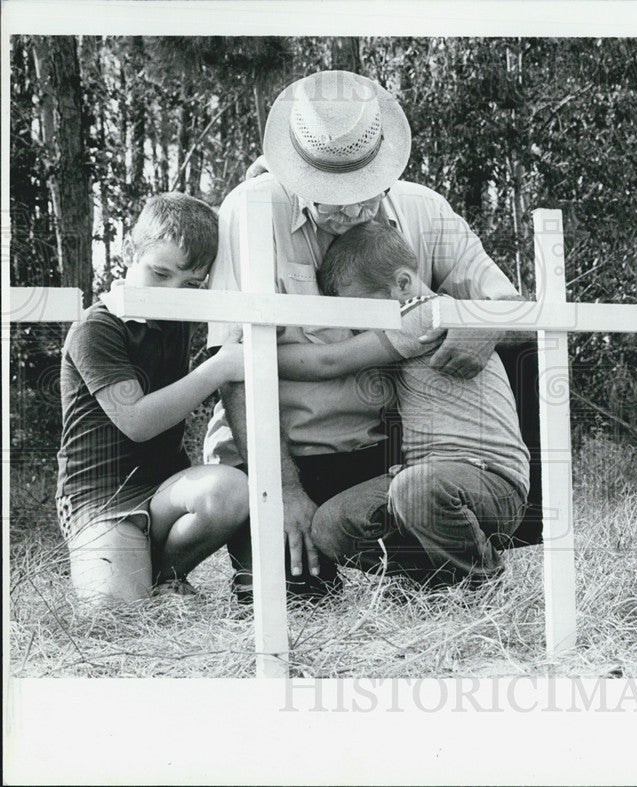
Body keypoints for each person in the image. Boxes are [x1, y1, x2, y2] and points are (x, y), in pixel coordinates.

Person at [202, 70, 523, 597]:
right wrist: (280, 488)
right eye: (331, 194)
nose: (351, 209)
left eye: (364, 190)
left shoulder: (424, 208)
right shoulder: (249, 209)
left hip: (388, 457)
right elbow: (233, 368)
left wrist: (480, 322)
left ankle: (459, 569)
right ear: (294, 169)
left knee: (431, 568)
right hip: (282, 453)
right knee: (298, 606)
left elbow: (511, 306)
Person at [273, 221, 529, 586]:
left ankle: (482, 582)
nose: (361, 328)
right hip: (433, 480)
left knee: (416, 488)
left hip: (492, 480)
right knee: (330, 525)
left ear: (403, 284)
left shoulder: (425, 314)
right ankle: (436, 578)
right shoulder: (420, 316)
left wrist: (249, 353)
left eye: (363, 313)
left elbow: (329, 362)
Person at [56, 193, 249, 606]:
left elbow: (240, 238)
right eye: (159, 273)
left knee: (231, 490)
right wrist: (218, 368)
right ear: (129, 250)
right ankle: (126, 568)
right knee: (113, 615)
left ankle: (166, 577)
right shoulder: (97, 327)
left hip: (164, 488)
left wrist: (267, 176)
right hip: (101, 495)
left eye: (191, 285)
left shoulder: (177, 314)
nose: (172, 293)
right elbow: (136, 421)